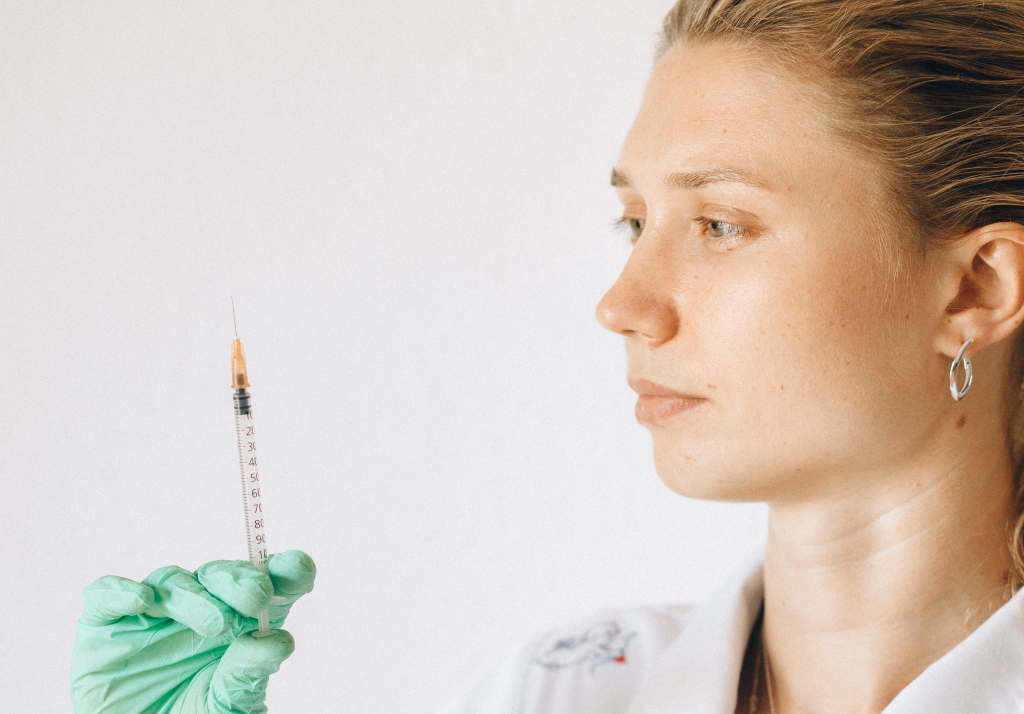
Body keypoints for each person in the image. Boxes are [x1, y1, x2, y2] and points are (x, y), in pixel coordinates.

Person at [71, 0, 1024, 712]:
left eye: (721, 224)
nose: (622, 305)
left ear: (976, 289)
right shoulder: (556, 691)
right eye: (636, 222)